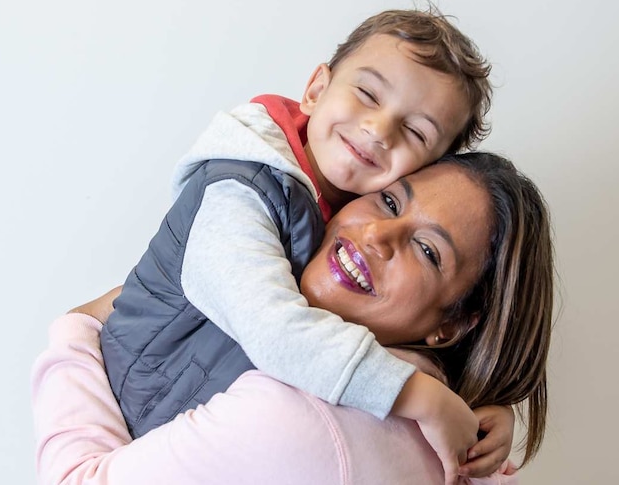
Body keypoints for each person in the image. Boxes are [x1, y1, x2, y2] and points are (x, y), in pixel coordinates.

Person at [99, 7, 494, 481]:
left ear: (426, 170)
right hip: (126, 406)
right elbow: (273, 328)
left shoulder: (344, 218)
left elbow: (416, 333)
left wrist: (491, 413)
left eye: (414, 131)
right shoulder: (239, 186)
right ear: (315, 91)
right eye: (367, 93)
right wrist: (421, 397)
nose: (378, 129)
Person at [32, 152, 553, 485]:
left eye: (427, 250)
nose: (376, 236)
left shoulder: (302, 416)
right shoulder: (450, 432)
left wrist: (74, 331)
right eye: (389, 201)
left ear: (454, 326)